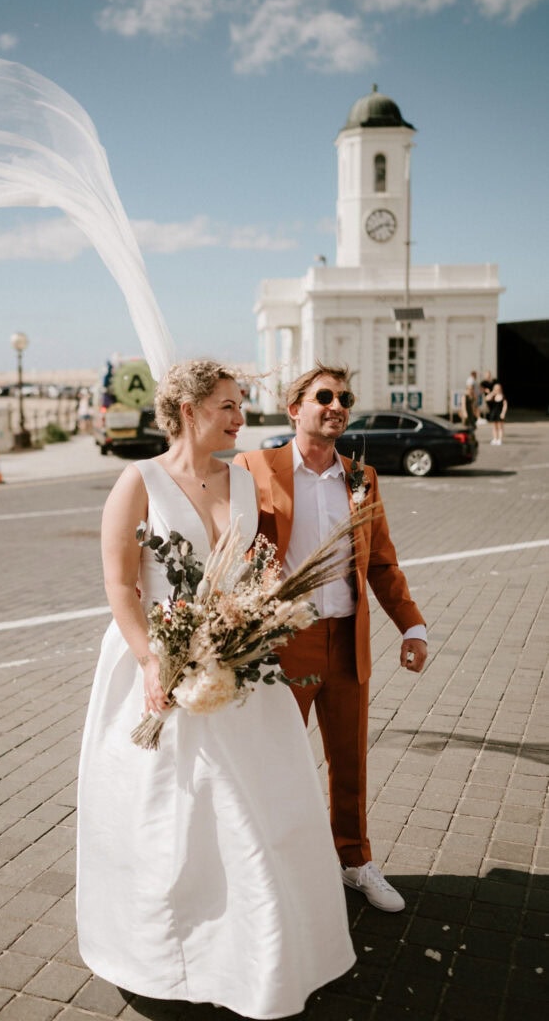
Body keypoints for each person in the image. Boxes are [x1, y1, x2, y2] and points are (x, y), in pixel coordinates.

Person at [77, 360, 355, 1018]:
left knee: (255, 805)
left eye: (240, 406)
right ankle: (162, 948)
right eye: (228, 406)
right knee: (170, 812)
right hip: (157, 657)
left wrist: (248, 626)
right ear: (189, 410)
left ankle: (258, 943)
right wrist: (151, 659)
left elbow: (251, 571)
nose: (239, 418)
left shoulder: (240, 478)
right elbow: (121, 585)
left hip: (236, 662)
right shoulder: (136, 481)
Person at [234, 362, 427, 914]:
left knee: (349, 763)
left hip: (346, 640)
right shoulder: (254, 468)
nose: (337, 405)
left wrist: (411, 624)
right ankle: (272, 867)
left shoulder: (362, 478)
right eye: (324, 396)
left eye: (344, 397)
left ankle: (355, 862)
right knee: (274, 763)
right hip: (281, 645)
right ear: (295, 408)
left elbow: (383, 563)